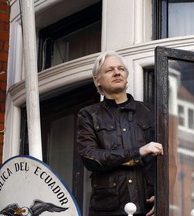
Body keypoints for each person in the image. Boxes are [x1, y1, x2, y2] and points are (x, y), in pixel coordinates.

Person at [77, 50, 163, 216]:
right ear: (97, 80)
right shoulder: (88, 115)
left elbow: (167, 159)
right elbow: (90, 157)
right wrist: (137, 152)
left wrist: (161, 194)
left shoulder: (149, 112)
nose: (117, 72)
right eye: (109, 70)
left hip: (147, 208)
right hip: (108, 210)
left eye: (121, 69)